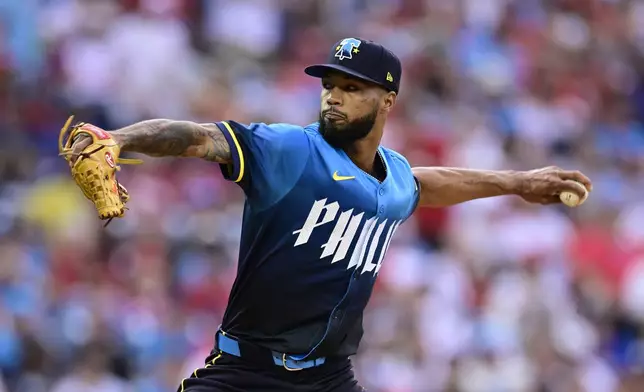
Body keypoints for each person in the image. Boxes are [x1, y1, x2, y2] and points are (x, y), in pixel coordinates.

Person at [67, 38, 592, 392]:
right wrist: (118, 140)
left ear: (387, 101)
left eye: (351, 88)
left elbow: (423, 186)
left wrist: (517, 183)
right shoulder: (291, 150)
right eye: (329, 86)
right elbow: (202, 138)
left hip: (328, 379)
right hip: (246, 373)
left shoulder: (393, 179)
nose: (334, 98)